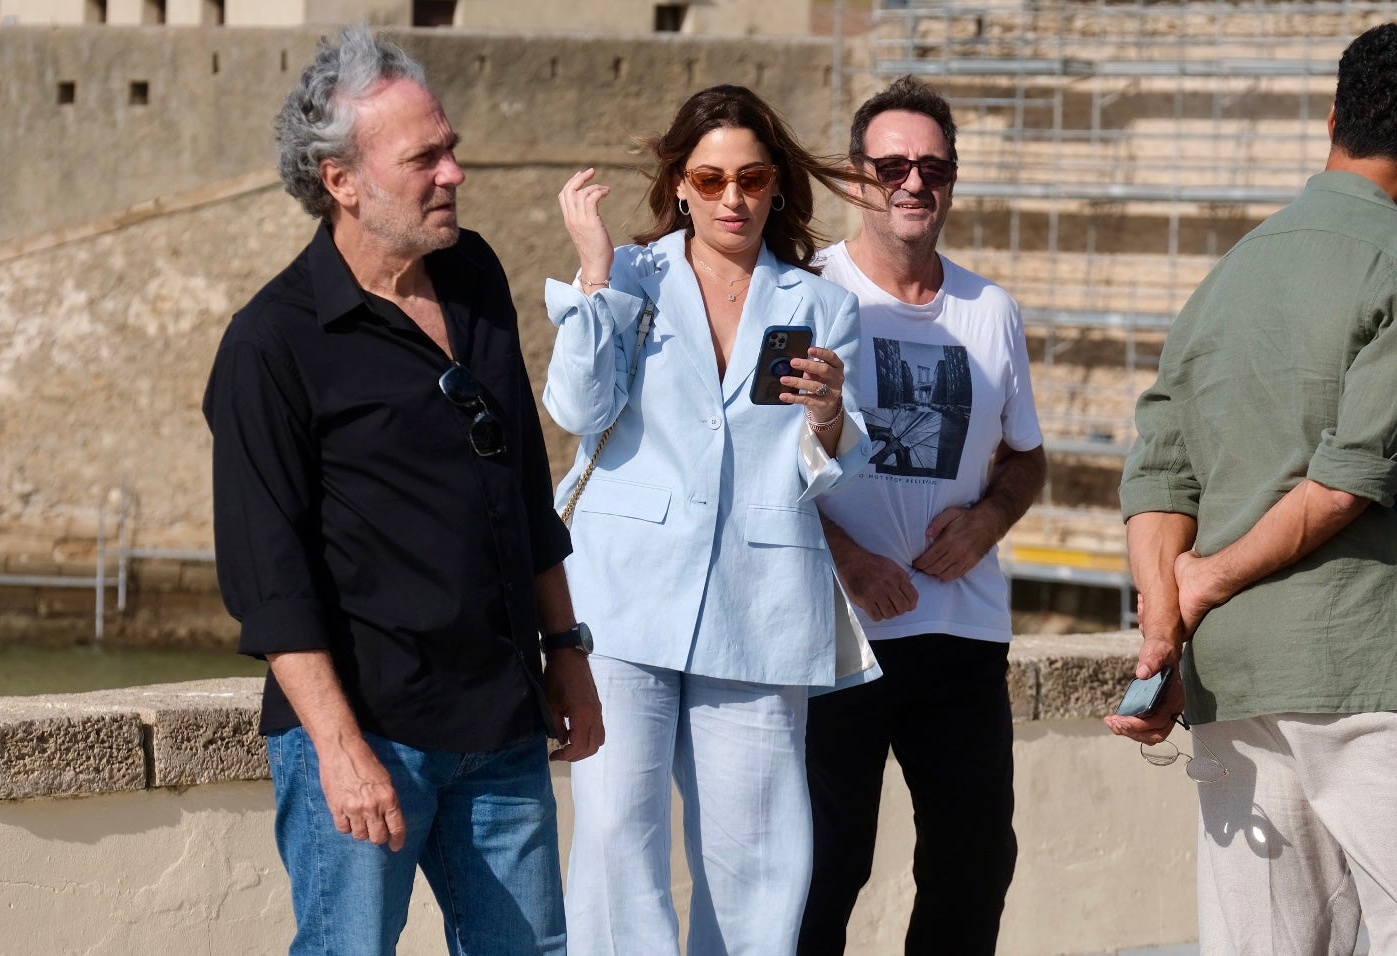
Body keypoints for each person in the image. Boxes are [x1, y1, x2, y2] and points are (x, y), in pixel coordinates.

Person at [202, 26, 602, 956]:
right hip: (368, 735)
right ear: (342, 180)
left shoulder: (475, 276)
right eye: (424, 157)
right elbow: (270, 579)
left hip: (503, 724)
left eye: (451, 147)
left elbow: (523, 484)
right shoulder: (271, 344)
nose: (454, 172)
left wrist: (565, 651)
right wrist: (340, 753)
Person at [544, 84, 874, 955]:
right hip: (621, 594)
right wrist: (593, 273)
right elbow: (579, 407)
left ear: (775, 187)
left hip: (762, 600)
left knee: (760, 856)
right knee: (616, 836)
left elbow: (838, 466)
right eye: (712, 177)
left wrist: (830, 417)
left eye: (753, 178)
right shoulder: (630, 276)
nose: (734, 198)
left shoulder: (823, 303)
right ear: (681, 185)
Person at [1105, 23, 1397, 955]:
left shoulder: (1227, 277)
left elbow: (1158, 470)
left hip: (1235, 681)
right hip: (1368, 663)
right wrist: (1208, 580)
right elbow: (1352, 474)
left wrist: (1165, 626)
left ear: (1330, 121)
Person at [797, 76, 1048, 956]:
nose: (914, 183)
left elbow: (1026, 456)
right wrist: (847, 560)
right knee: (827, 870)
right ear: (858, 179)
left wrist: (988, 520)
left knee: (975, 861)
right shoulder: (806, 297)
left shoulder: (991, 310)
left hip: (960, 635)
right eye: (893, 165)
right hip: (835, 637)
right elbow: (752, 471)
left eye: (933, 167)